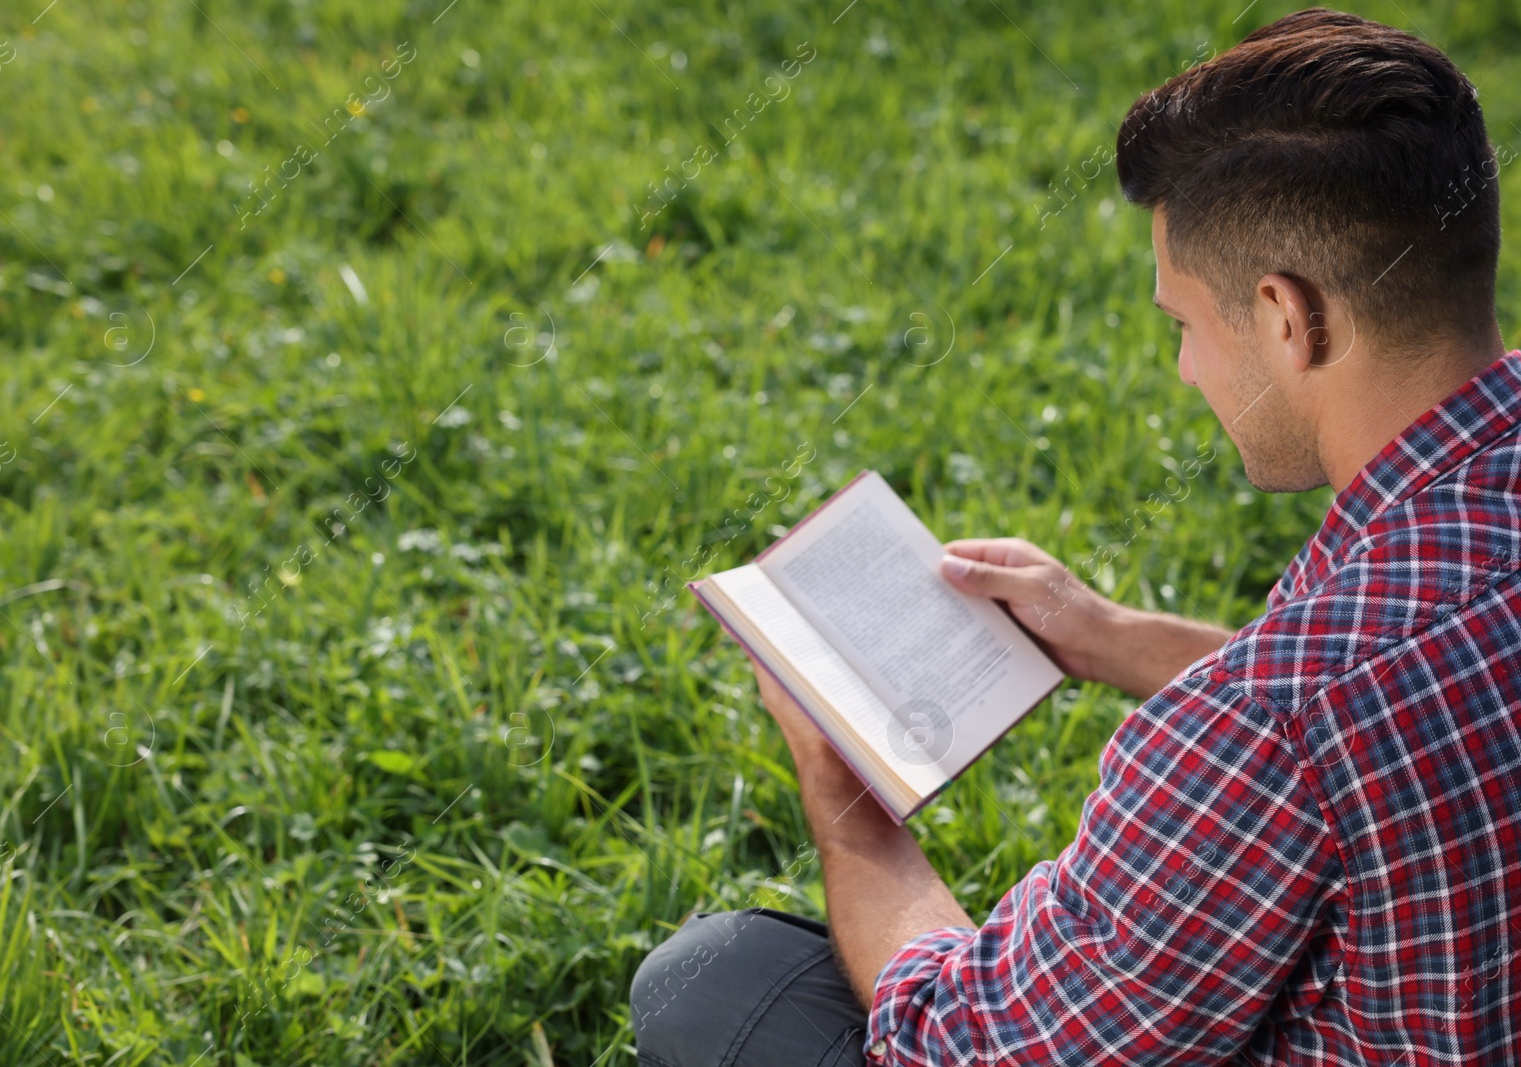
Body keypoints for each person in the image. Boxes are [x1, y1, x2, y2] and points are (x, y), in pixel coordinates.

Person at [630, 6, 1521, 1065]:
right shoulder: (1408, 576)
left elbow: (972, 1044)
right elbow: (1415, 697)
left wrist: (844, 801)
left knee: (716, 983)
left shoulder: (1262, 725)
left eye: (1183, 323)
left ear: (1288, 318)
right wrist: (1112, 634)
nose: (1187, 367)